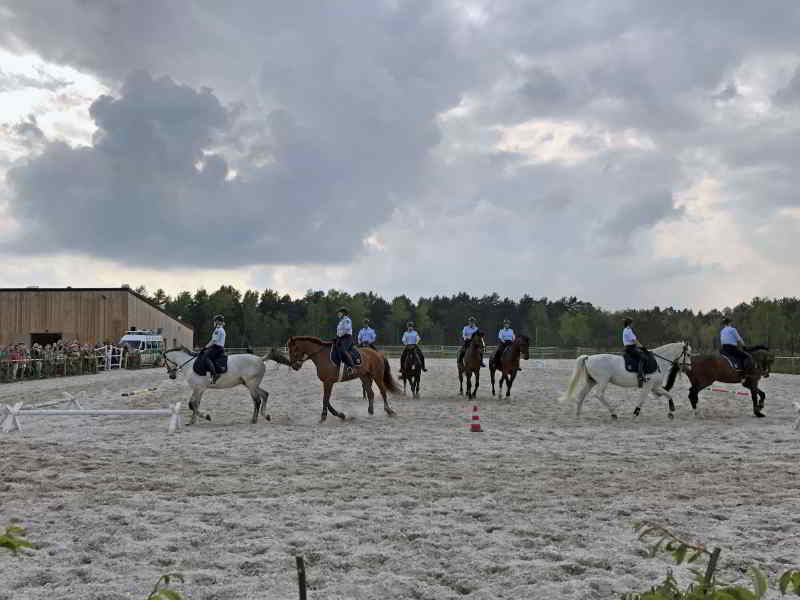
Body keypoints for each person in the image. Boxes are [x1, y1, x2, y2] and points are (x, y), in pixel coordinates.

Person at [623, 317, 647, 387]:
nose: (633, 324)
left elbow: (635, 340)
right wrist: (642, 347)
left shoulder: (628, 330)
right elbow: (634, 341)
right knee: (643, 358)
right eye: (632, 323)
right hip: (630, 348)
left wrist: (640, 346)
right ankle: (640, 377)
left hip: (632, 347)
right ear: (629, 323)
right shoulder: (628, 330)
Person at [204, 314, 226, 383]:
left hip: (217, 348)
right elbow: (212, 340)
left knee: (205, 357)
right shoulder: (220, 329)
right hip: (218, 347)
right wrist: (206, 347)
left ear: (218, 322)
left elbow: (213, 341)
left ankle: (215, 374)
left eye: (215, 321)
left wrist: (205, 347)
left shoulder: (218, 330)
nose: (214, 322)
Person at [335, 307, 357, 374]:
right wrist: (337, 337)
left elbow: (347, 329)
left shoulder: (347, 320)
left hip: (347, 338)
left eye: (339, 313)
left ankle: (351, 366)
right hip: (341, 338)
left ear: (343, 313)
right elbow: (338, 331)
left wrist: (340, 335)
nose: (338, 314)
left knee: (343, 350)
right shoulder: (341, 321)